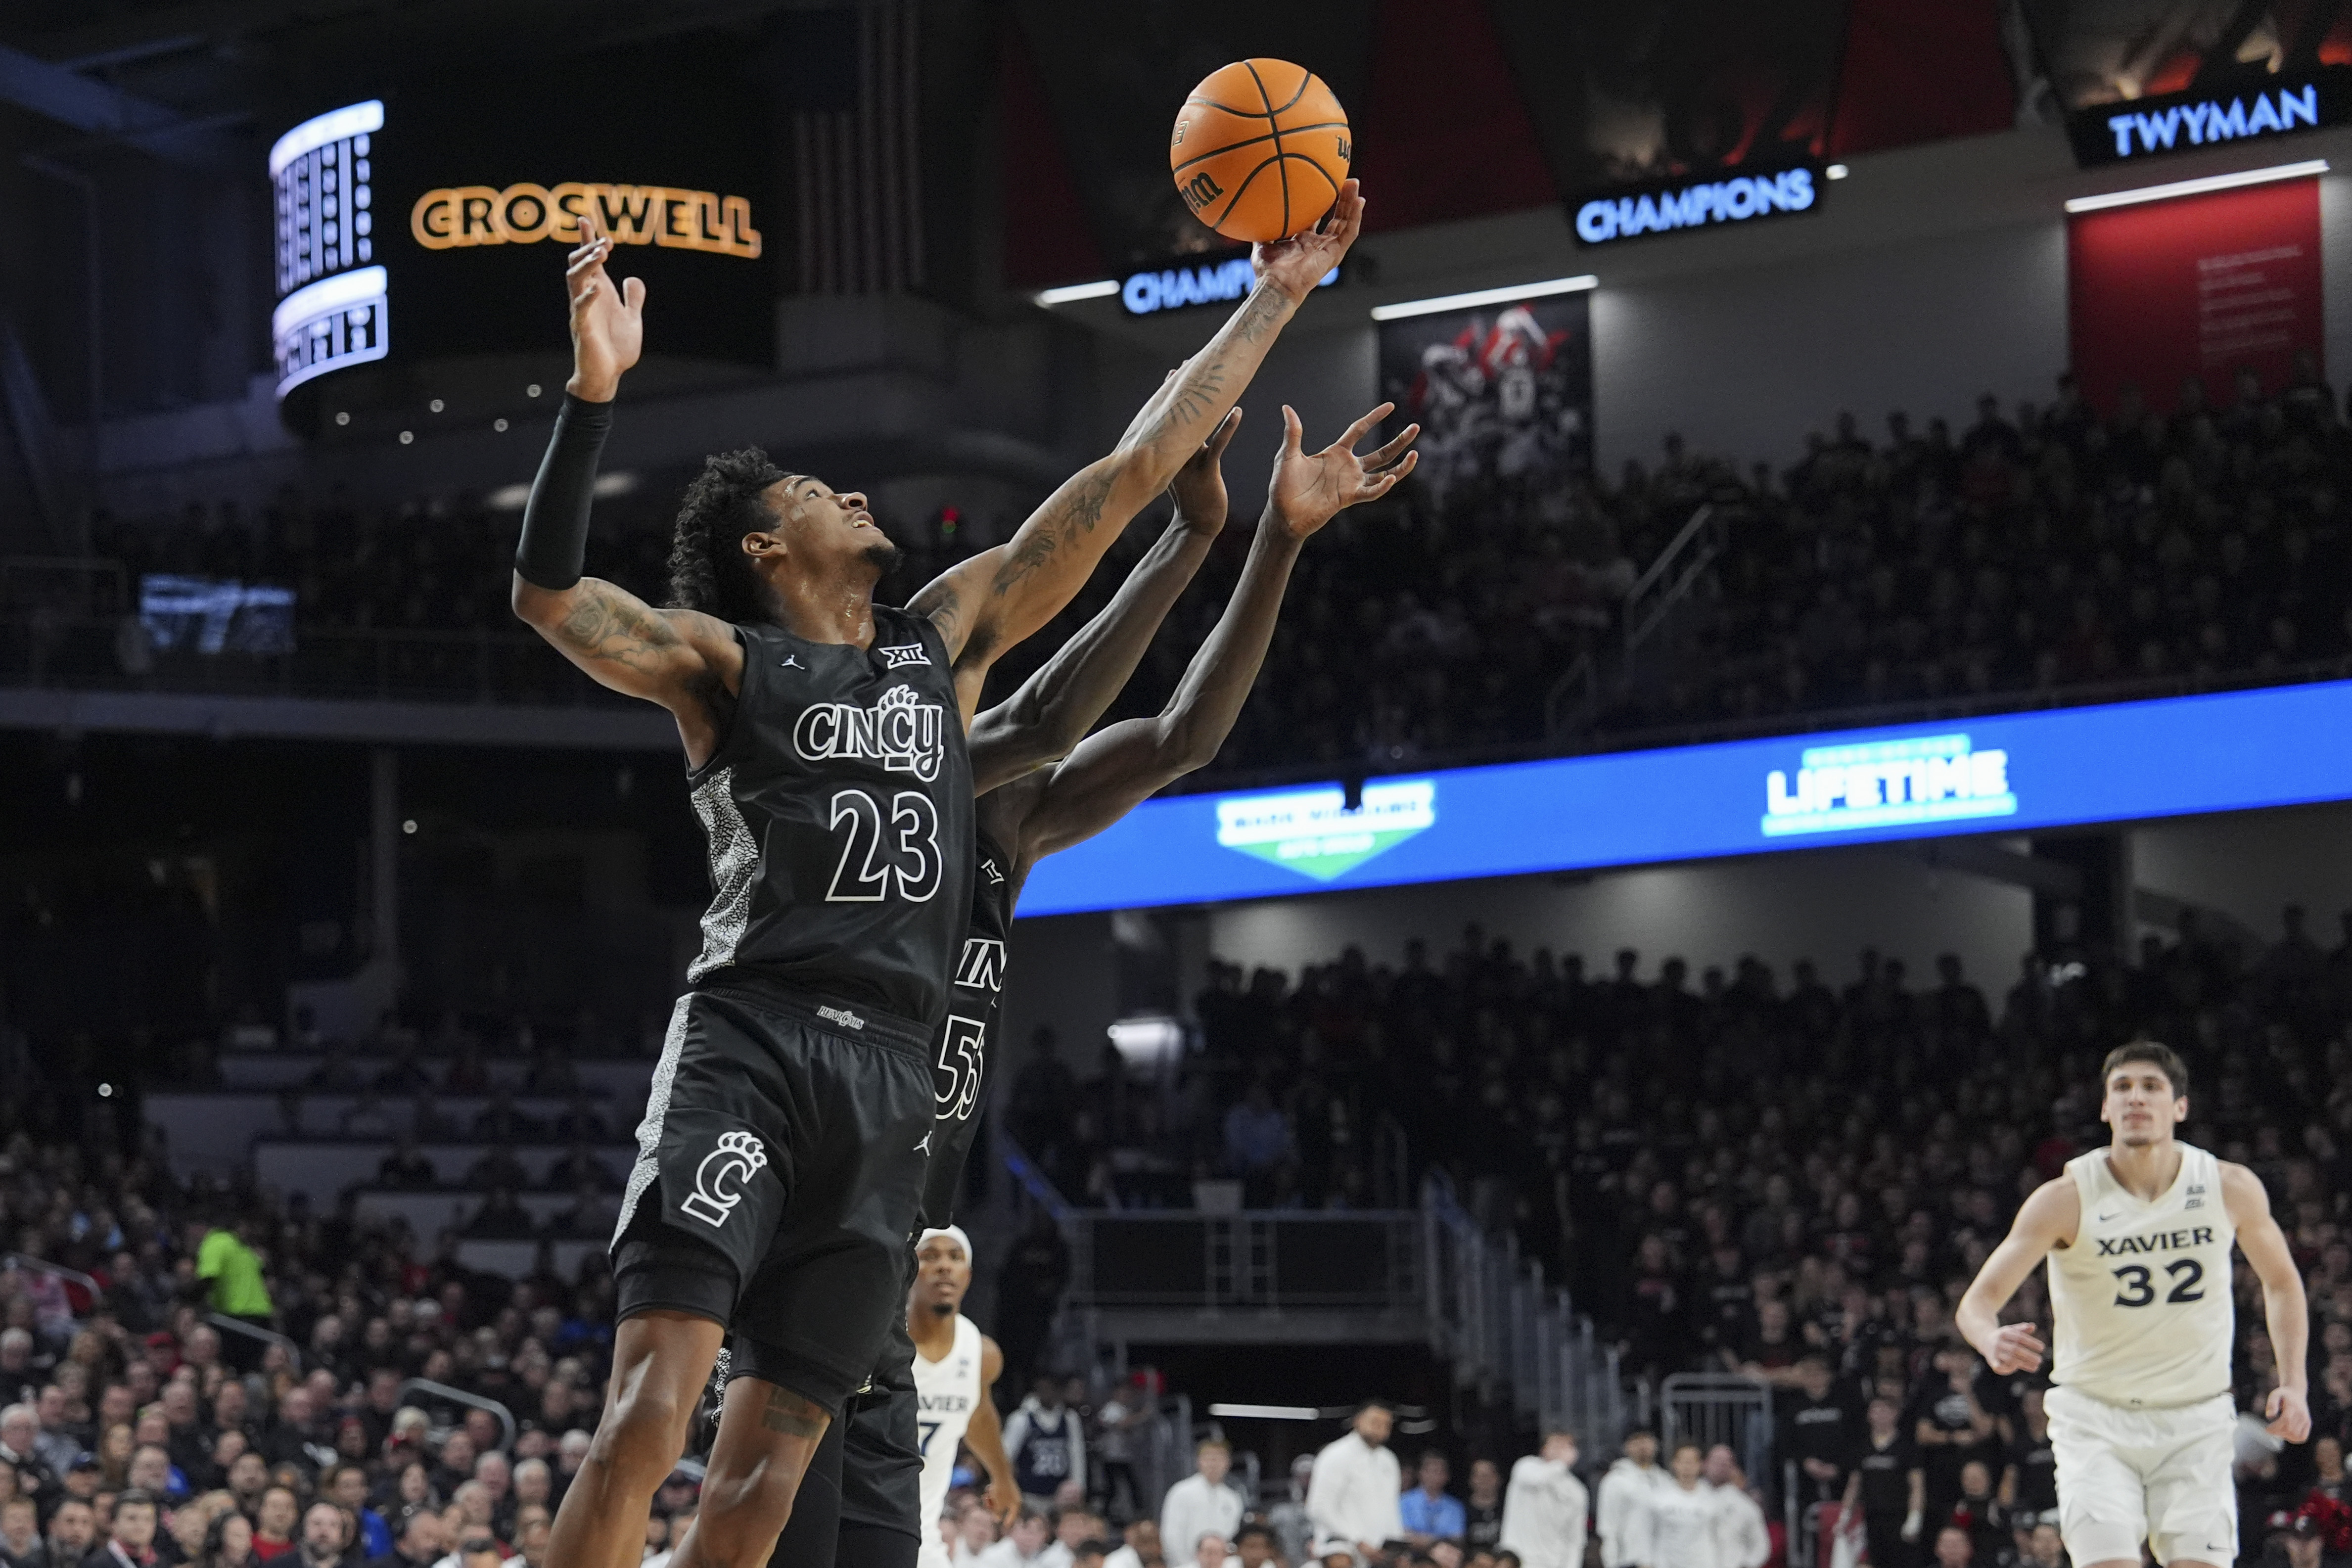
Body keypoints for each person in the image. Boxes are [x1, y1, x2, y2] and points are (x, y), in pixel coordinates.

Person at [522, 172, 1365, 1568]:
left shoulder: (939, 639)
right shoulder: (724, 663)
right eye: (815, 491)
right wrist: (592, 398)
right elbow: (550, 601)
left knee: (755, 1495)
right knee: (651, 1406)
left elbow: (1122, 481)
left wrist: (1272, 297)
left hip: (894, 1089)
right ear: (765, 548)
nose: (853, 491)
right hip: (759, 1037)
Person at [1956, 1041, 2311, 1568]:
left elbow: (2282, 1281)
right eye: (2122, 1088)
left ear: (2180, 1106)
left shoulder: (2227, 1185)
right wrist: (1990, 1338)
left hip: (2196, 1416)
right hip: (2096, 1418)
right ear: (2105, 1108)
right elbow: (1977, 1302)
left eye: (2151, 1087)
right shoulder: (2066, 1196)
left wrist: (2295, 1382)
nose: (2135, 1098)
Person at [1307, 1402, 1403, 1564]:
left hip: (1380, 1555)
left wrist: (1398, 1546)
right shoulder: (1335, 1455)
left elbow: (1391, 1509)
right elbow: (1318, 1507)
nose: (1380, 1428)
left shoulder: (1389, 1460)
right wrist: (1358, 1540)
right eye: (1374, 1422)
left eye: (1386, 1424)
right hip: (1342, 1552)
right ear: (1357, 1421)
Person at [1841, 1397, 1923, 1568]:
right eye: (1876, 1411)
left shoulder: (1907, 1447)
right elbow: (1854, 1484)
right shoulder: (1862, 1447)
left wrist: (1915, 1517)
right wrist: (1845, 1515)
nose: (1880, 1416)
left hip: (1899, 1517)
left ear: (1895, 1414)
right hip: (1873, 1517)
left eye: (1885, 1411)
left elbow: (1917, 1486)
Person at [1621, 1444, 1722, 1568]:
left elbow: (1720, 1538)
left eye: (1691, 1462)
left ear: (1700, 1465)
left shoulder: (1712, 1499)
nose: (1687, 1467)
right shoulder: (1658, 1498)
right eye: (1683, 1462)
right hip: (1666, 1563)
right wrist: (1646, 1562)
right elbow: (1646, 1533)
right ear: (1674, 1464)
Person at [1497, 1431, 1585, 1568]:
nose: (1560, 1450)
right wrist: (1562, 1463)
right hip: (1517, 1560)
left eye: (1566, 1446)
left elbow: (1575, 1539)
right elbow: (1538, 1480)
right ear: (1543, 1450)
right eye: (1555, 1445)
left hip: (1553, 1563)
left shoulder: (1576, 1490)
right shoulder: (1526, 1466)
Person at [1161, 1443, 1245, 1568]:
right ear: (1199, 1462)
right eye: (1209, 1459)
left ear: (1227, 1463)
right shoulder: (1181, 1491)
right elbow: (1172, 1535)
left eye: (1218, 1459)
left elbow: (1231, 1537)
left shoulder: (1233, 1499)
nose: (1213, 1464)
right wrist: (1185, 1564)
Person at [1595, 1431, 1670, 1568]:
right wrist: (1611, 1562)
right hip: (1630, 1560)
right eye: (1637, 1442)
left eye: (1647, 1441)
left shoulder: (1665, 1480)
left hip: (1662, 1560)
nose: (1643, 1446)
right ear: (1626, 1447)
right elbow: (1608, 1527)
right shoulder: (1615, 1480)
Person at [1701, 1449, 1767, 1568]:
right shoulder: (1689, 1499)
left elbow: (1760, 1544)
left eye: (1726, 1463)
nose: (1721, 1467)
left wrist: (1747, 1565)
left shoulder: (1746, 1505)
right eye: (1717, 1462)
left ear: (1733, 1468)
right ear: (1704, 1464)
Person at [1402, 1453, 1465, 1546]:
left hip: (1446, 1555)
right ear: (1421, 1474)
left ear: (1447, 1477)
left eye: (1440, 1472)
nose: (1435, 1476)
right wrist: (1433, 1544)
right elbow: (1404, 1535)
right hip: (1412, 1555)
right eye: (1432, 1471)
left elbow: (1457, 1539)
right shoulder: (1404, 1501)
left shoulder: (1455, 1507)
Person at [88, 1489, 159, 1568]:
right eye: (132, 1518)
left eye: (148, 1519)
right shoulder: (96, 1564)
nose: (140, 1525)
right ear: (114, 1523)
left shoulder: (162, 1562)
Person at [1463, 1461, 1505, 1555]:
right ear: (1471, 1480)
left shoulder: (1508, 1508)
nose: (1484, 1480)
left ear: (1498, 1479)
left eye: (1489, 1476)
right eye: (1480, 1476)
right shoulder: (1462, 1510)